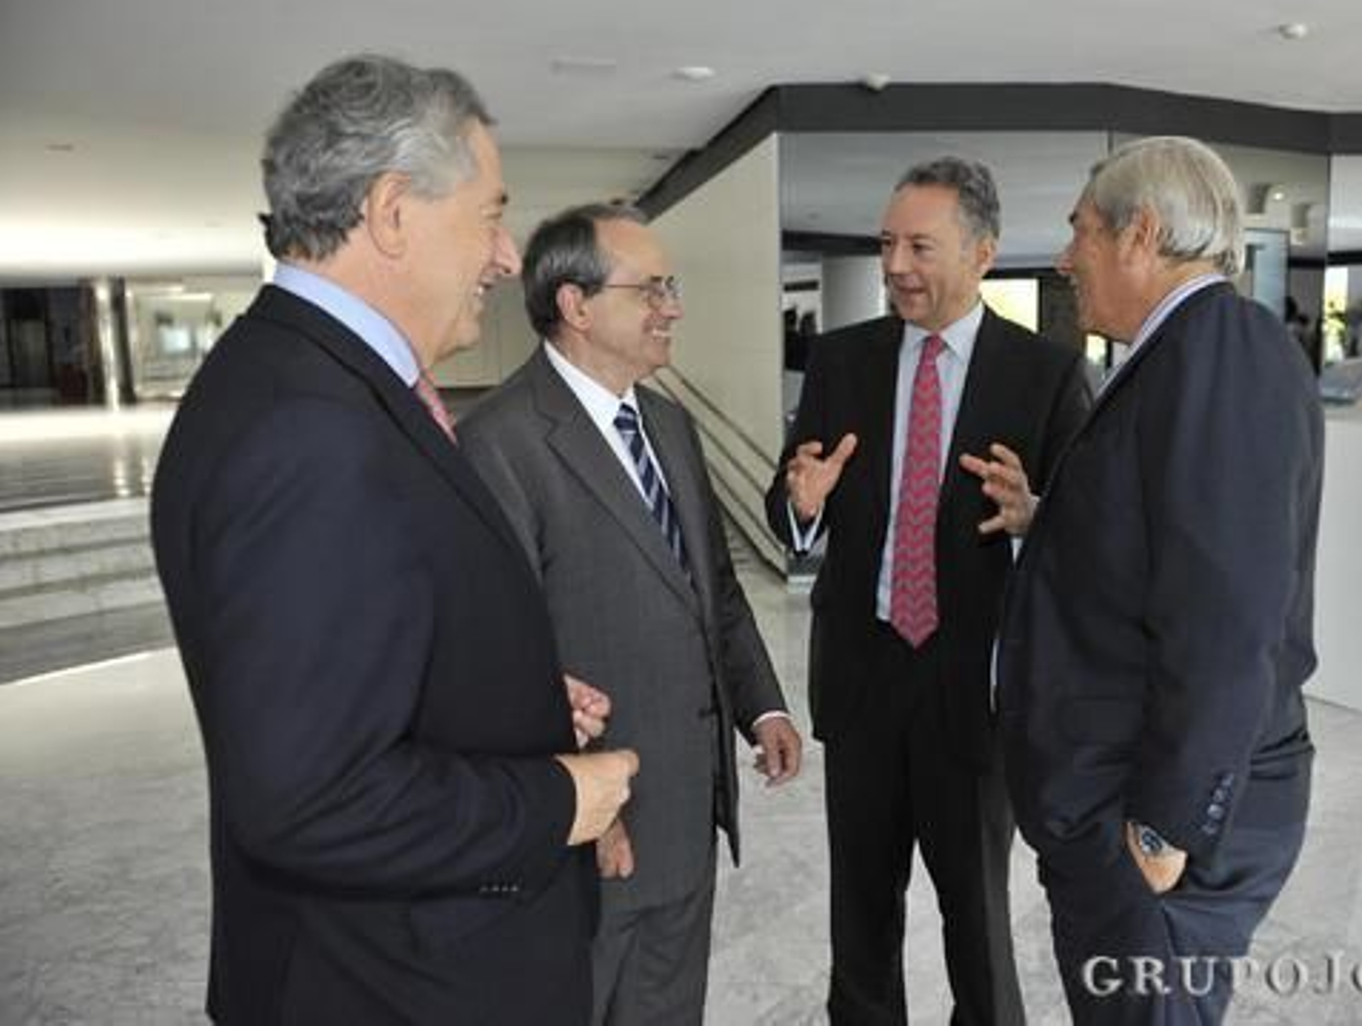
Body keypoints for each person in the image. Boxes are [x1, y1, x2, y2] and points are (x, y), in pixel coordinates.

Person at [150, 55, 638, 1025]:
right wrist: (554, 799)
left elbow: (342, 661)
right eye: (491, 214)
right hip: (391, 987)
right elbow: (309, 798)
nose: (507, 258)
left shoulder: (310, 381)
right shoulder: (310, 429)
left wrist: (509, 703)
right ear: (391, 210)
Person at [996, 136, 1324, 1025]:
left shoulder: (1221, 350)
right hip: (1134, 794)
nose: (1066, 261)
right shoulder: (1182, 350)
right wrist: (1047, 516)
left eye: (1080, 234)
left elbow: (1227, 616)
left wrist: (1163, 826)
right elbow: (1172, 541)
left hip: (1159, 815)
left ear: (1140, 232)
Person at [765, 156, 1093, 1024]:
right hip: (865, 682)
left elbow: (1092, 541)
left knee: (977, 923)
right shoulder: (841, 362)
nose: (896, 265)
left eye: (920, 245)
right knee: (859, 920)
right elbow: (789, 499)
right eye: (886, 244)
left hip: (973, 694)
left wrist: (1035, 516)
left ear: (982, 253)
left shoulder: (1046, 376)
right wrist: (802, 508)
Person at [459, 203, 803, 1025]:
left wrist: (762, 706)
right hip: (590, 832)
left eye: (670, 288)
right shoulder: (501, 442)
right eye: (651, 289)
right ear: (575, 305)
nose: (672, 307)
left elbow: (711, 589)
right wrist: (578, 805)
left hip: (685, 808)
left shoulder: (670, 425)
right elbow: (498, 656)